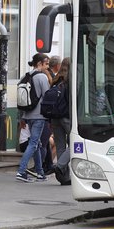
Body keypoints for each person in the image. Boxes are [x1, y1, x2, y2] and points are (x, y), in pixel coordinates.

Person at [16, 53, 52, 183]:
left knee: (37, 143)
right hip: (39, 116)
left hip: (28, 114)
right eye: (46, 63)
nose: (47, 66)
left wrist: (21, 118)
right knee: (33, 143)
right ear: (39, 64)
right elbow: (47, 96)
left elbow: (21, 98)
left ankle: (40, 173)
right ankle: (21, 171)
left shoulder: (25, 76)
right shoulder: (42, 77)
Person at [49, 57, 72, 185]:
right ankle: (60, 165)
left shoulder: (56, 79)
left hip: (54, 117)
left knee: (60, 146)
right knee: (75, 142)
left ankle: (64, 178)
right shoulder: (69, 80)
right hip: (66, 116)